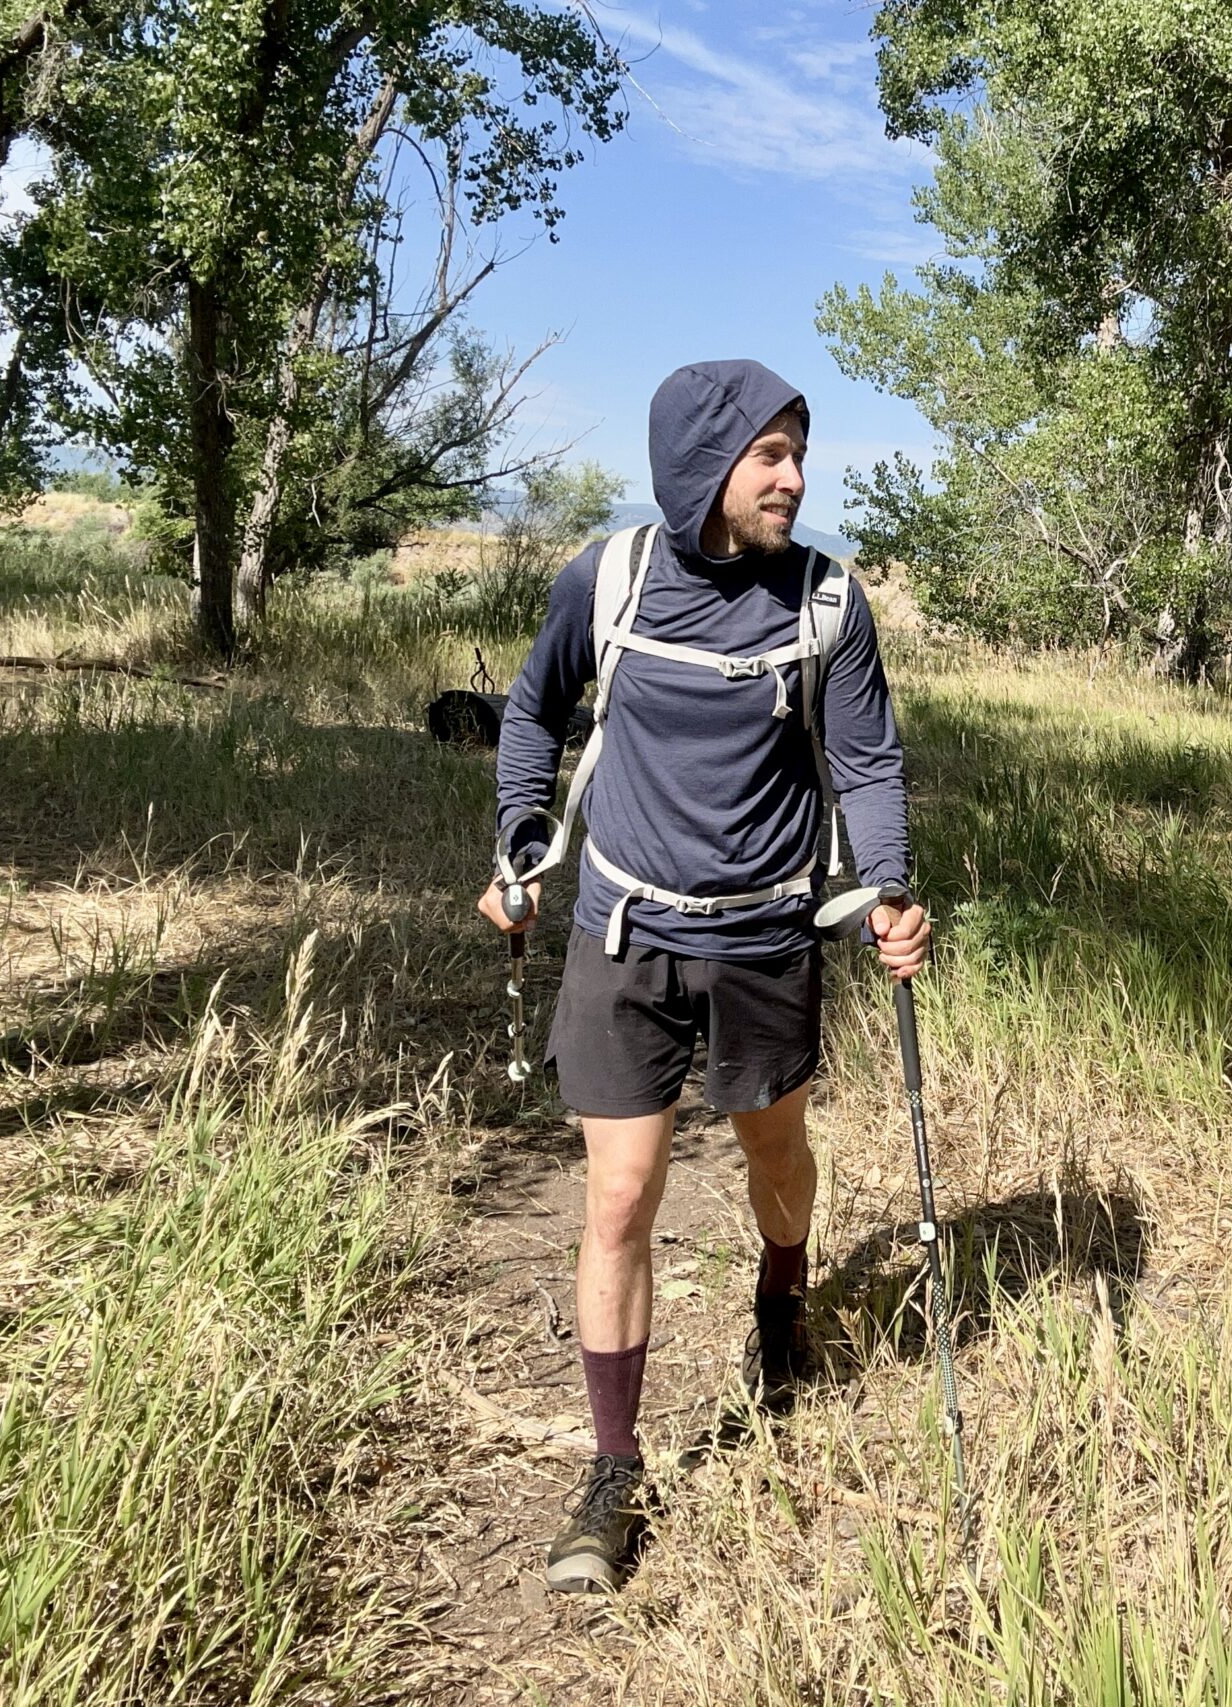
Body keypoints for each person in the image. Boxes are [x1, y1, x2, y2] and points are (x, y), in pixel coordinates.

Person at [479, 359, 928, 1595]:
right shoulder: (609, 579)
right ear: (701, 464)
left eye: (799, 451)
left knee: (773, 1155)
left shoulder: (827, 604)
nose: (792, 476)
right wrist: (522, 842)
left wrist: (886, 886)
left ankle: (781, 1294)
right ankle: (612, 1467)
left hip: (767, 932)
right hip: (623, 929)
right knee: (619, 1198)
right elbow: (533, 711)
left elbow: (869, 763)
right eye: (768, 455)